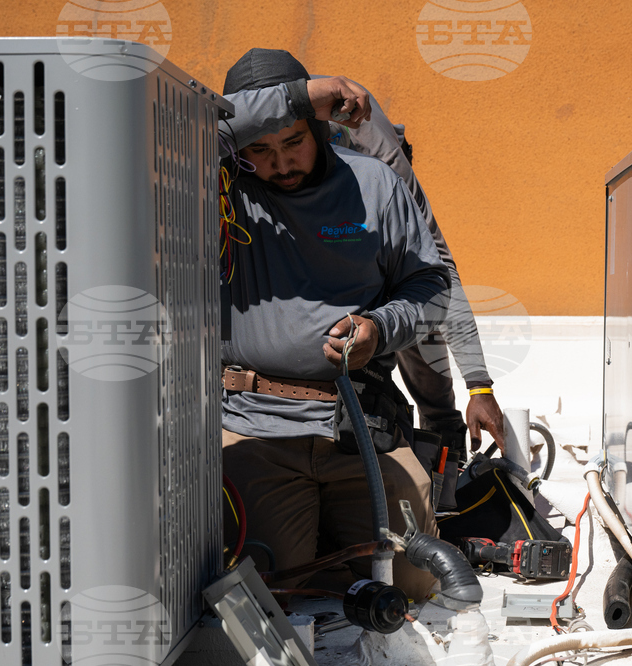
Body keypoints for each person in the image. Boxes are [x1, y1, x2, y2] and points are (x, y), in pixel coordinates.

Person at [217, 48, 449, 600]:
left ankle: (334, 552)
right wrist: (297, 99)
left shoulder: (374, 185)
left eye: (293, 140)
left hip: (360, 427)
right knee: (264, 591)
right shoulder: (220, 186)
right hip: (255, 429)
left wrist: (381, 327)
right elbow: (177, 131)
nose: (280, 163)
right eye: (260, 148)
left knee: (420, 586)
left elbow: (432, 289)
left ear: (320, 129)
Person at [318, 79, 506, 459]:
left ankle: (444, 464)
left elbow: (440, 276)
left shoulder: (387, 173)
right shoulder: (277, 152)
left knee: (417, 304)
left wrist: (479, 387)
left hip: (389, 275)